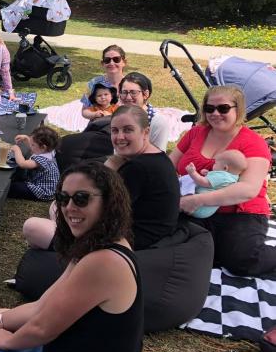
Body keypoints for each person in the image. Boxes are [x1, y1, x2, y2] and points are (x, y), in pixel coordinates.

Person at [0, 162, 143, 352]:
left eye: (81, 198)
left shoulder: (103, 261)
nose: (69, 207)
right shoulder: (104, 243)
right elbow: (43, 304)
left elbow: (42, 328)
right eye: (63, 198)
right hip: (70, 341)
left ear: (108, 201)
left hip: (62, 344)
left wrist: (9, 341)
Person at [24, 105, 180, 251]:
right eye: (115, 130)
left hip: (130, 243)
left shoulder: (139, 168)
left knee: (32, 228)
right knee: (57, 209)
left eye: (128, 130)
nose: (120, 137)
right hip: (144, 234)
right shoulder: (156, 157)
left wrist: (111, 164)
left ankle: (59, 258)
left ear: (145, 132)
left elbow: (99, 210)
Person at [169, 85, 275, 276]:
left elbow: (248, 189)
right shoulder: (195, 133)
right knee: (170, 243)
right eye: (209, 108)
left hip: (239, 212)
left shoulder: (254, 143)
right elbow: (169, 164)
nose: (215, 113)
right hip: (192, 209)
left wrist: (198, 200)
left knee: (242, 260)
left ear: (238, 110)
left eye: (223, 108)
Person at [181, 149, 247, 219]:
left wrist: (192, 173)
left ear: (225, 168)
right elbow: (215, 182)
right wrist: (208, 173)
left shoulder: (222, 177)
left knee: (190, 179)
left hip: (198, 207)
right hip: (205, 210)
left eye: (215, 163)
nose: (213, 165)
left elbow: (203, 182)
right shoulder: (232, 177)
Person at [116, 72, 170, 151]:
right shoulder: (119, 117)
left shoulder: (158, 122)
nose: (128, 97)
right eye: (124, 92)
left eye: (133, 92)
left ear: (145, 94)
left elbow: (158, 157)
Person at [8, 126, 61, 202]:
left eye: (33, 145)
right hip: (46, 187)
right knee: (18, 176)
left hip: (44, 191)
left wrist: (17, 150)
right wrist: (26, 139)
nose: (31, 146)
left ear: (43, 147)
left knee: (13, 187)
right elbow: (36, 147)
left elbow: (22, 164)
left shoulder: (43, 159)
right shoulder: (49, 151)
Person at [79, 45, 126, 119]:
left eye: (116, 59)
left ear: (124, 62)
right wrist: (94, 114)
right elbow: (84, 110)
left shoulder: (131, 84)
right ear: (102, 63)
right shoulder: (94, 83)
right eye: (107, 60)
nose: (111, 63)